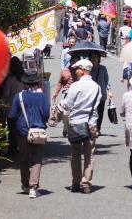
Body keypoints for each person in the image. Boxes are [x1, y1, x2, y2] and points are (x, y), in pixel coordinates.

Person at [58, 59, 102, 194]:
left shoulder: (75, 86)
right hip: (91, 124)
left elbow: (68, 105)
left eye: (76, 68)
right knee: (89, 154)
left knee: (75, 153)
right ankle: (86, 184)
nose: (74, 71)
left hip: (76, 123)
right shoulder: (96, 87)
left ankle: (76, 182)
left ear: (82, 71)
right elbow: (97, 104)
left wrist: (60, 104)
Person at [10, 70, 49, 197]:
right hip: (38, 131)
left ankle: (25, 185)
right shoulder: (42, 96)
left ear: (24, 83)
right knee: (36, 159)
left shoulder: (18, 96)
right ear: (37, 83)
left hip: (23, 131)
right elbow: (46, 114)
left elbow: (12, 115)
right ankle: (33, 187)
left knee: (24, 159)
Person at [51, 54, 81, 137]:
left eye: (77, 61)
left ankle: (74, 129)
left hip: (77, 94)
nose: (75, 63)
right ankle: (65, 128)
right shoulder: (64, 71)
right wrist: (55, 93)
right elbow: (60, 83)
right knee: (65, 114)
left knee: (75, 113)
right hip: (66, 94)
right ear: (70, 61)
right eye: (73, 61)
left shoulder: (81, 72)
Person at [2, 56, 25, 155]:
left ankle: (13, 149)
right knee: (23, 128)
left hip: (12, 107)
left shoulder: (10, 79)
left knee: (12, 129)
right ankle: (24, 147)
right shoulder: (25, 77)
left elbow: (6, 94)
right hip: (24, 106)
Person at [89, 51, 113, 136]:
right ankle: (91, 128)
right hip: (91, 95)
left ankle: (98, 128)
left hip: (101, 94)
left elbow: (107, 80)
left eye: (95, 56)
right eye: (92, 57)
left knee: (100, 112)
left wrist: (109, 90)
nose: (94, 58)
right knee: (91, 112)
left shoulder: (103, 68)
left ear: (99, 58)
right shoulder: (87, 69)